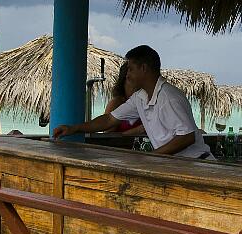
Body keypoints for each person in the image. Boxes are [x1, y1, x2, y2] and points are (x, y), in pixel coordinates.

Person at [54, 45, 213, 159]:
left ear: (143, 68)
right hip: (178, 164)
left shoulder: (168, 97)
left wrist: (151, 158)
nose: (127, 75)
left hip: (197, 163)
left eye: (130, 69)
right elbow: (110, 119)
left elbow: (187, 137)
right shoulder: (140, 97)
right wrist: (74, 128)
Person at [104, 62, 144, 134]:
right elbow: (107, 135)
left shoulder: (146, 101)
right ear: (126, 78)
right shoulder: (116, 103)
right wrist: (137, 130)